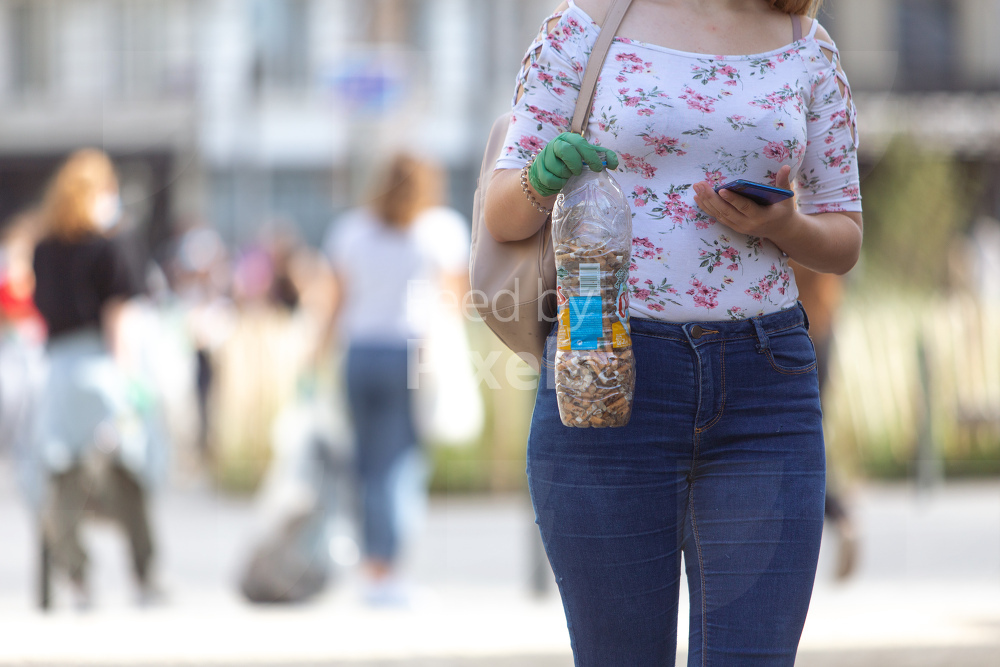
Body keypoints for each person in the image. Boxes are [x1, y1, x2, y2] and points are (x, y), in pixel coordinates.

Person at [484, 0, 862, 663]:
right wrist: (546, 175)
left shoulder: (806, 43)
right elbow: (502, 215)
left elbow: (844, 234)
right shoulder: (583, 28)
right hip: (606, 374)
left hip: (765, 383)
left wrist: (783, 226)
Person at [323, 153, 469, 604]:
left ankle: (373, 567)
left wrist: (315, 357)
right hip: (408, 355)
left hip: (359, 353)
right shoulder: (438, 232)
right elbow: (455, 301)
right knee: (400, 464)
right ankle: (386, 572)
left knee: (367, 463)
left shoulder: (350, 231)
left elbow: (336, 302)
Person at [31, 149, 160, 607]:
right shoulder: (112, 244)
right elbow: (118, 320)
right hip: (103, 365)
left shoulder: (44, 248)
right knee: (128, 473)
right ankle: (144, 575)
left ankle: (78, 577)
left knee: (64, 477)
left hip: (60, 370)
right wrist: (131, 382)